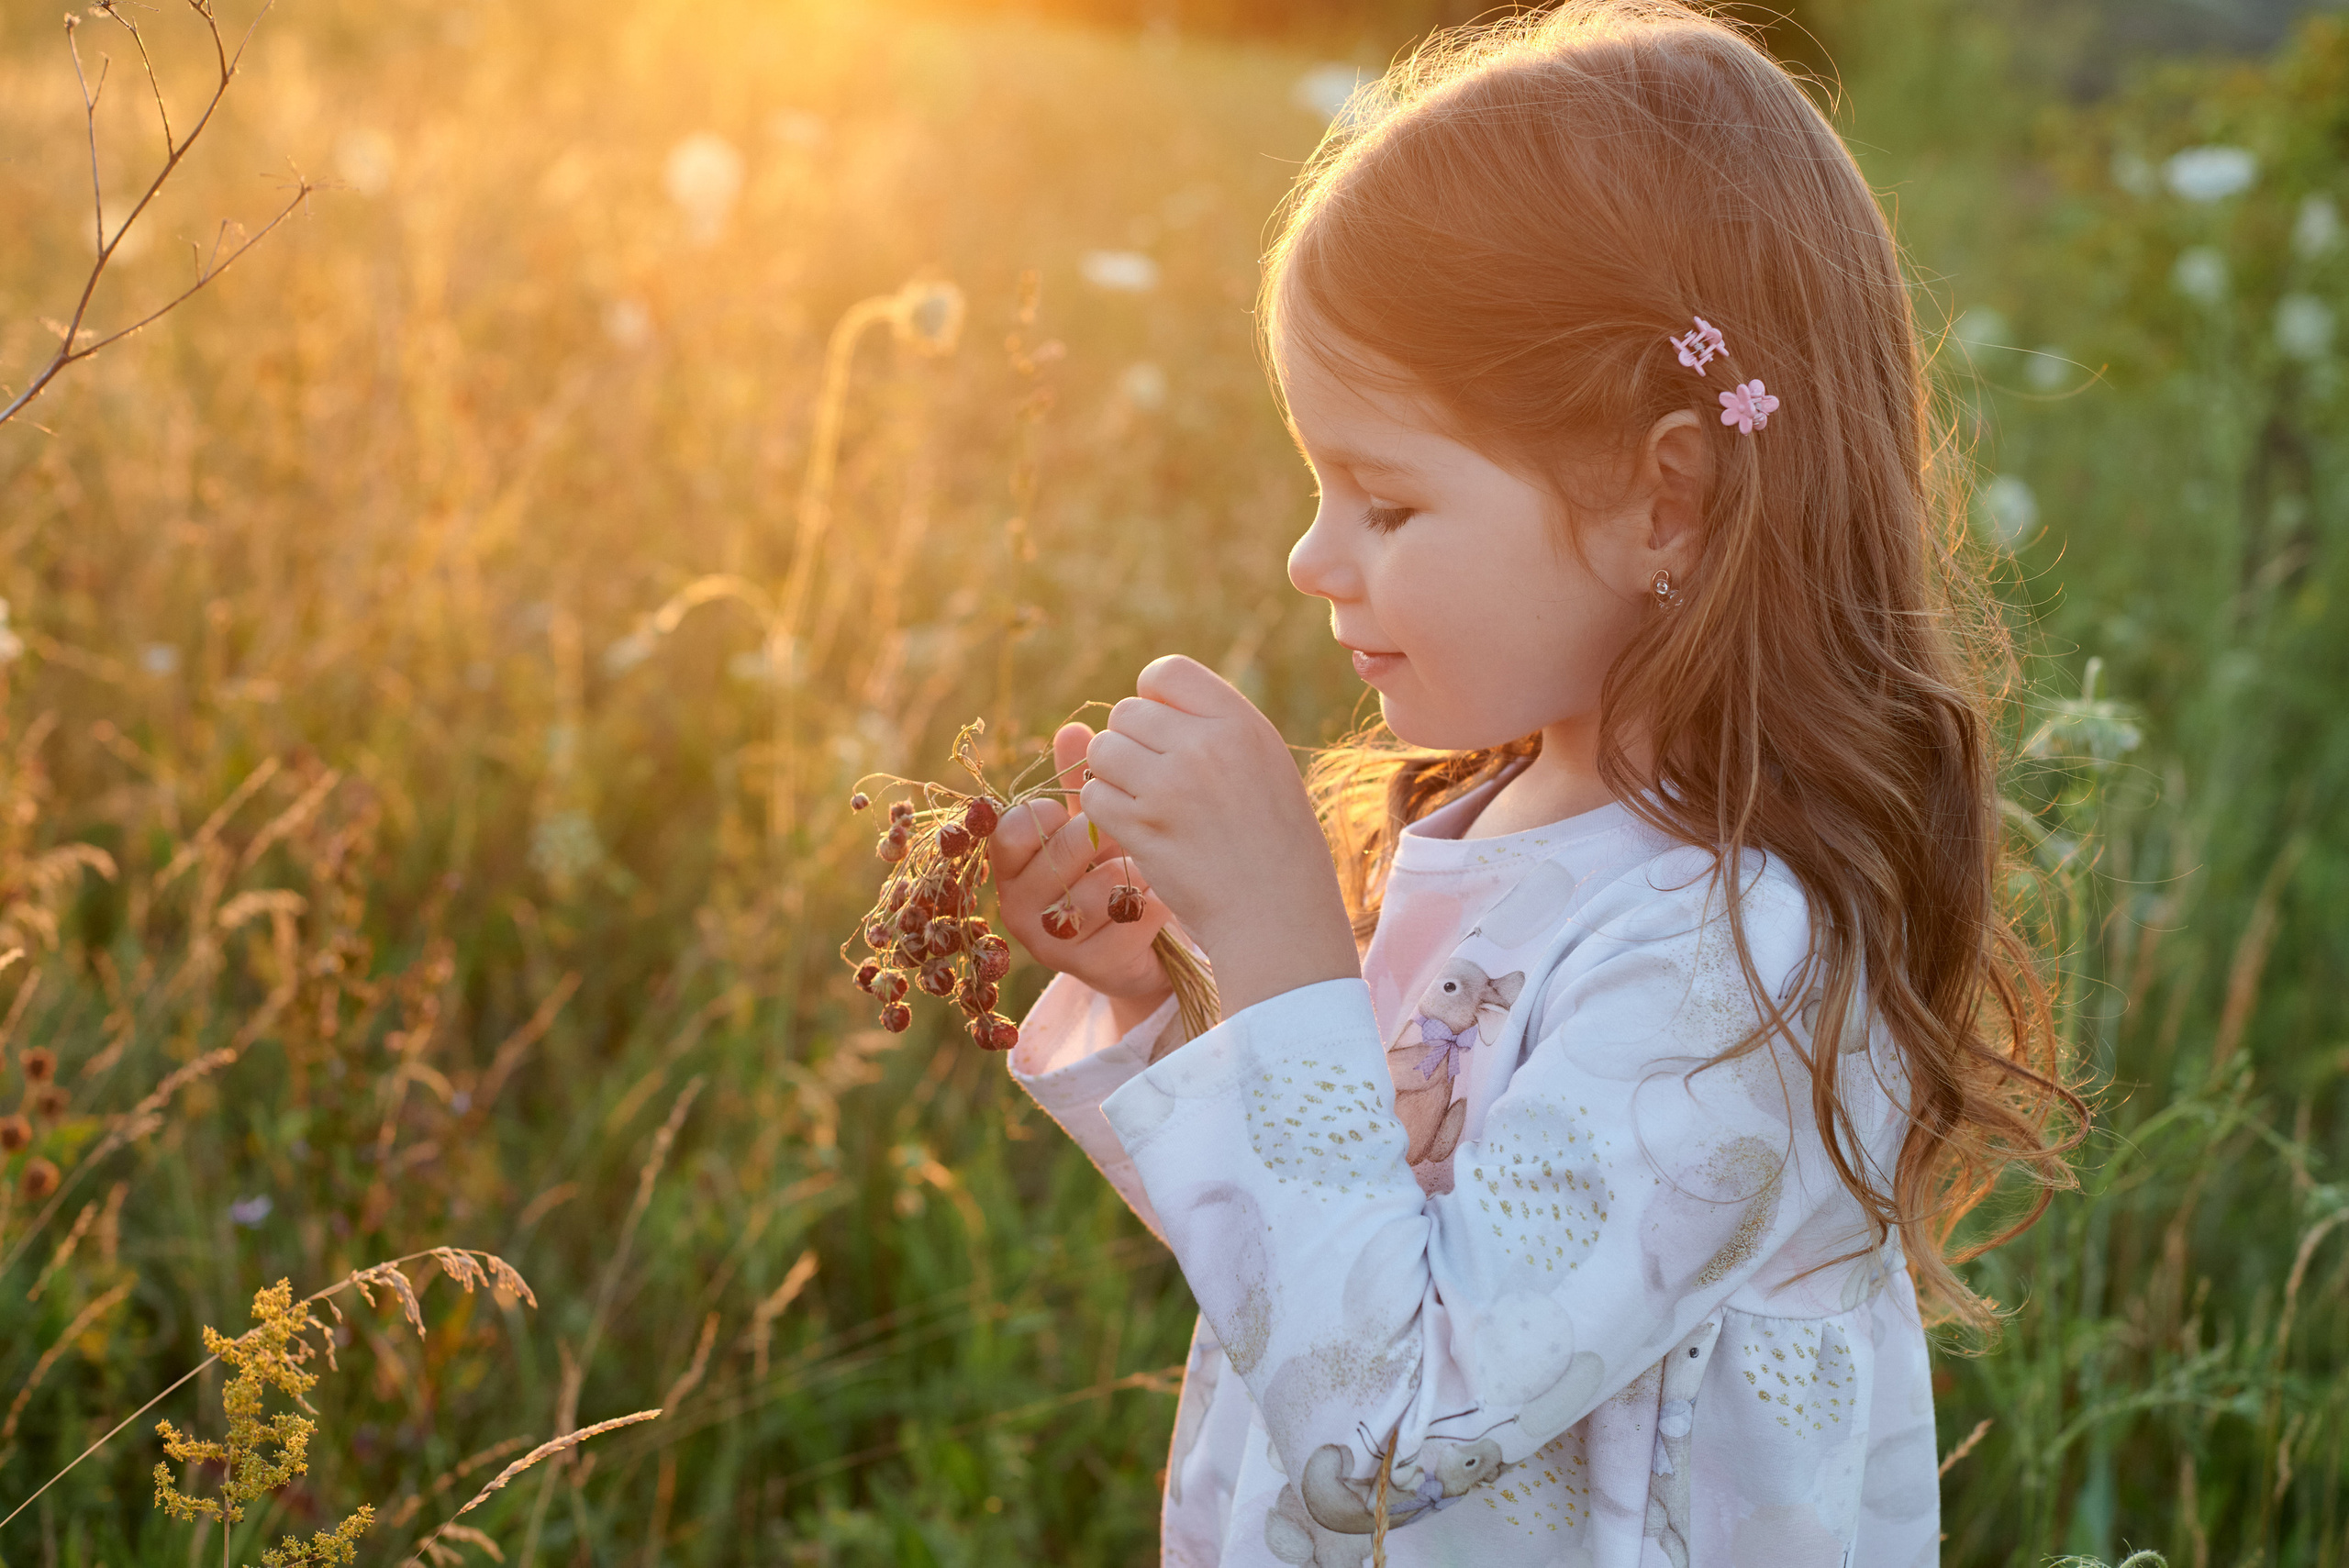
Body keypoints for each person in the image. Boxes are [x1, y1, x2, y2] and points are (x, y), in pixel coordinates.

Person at [985, 4, 2081, 1562]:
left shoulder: (1735, 959)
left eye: (1386, 497)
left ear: (1664, 502)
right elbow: (1326, 1264)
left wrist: (1293, 936)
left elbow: (1391, 1421)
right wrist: (1173, 998)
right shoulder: (1481, 822)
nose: (1312, 558)